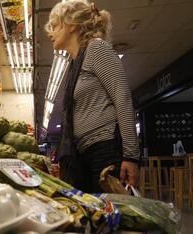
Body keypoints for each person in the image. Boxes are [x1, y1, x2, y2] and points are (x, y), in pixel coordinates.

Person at [45, 0, 140, 193]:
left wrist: (131, 156)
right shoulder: (74, 64)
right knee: (95, 216)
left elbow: (122, 98)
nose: (49, 32)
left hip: (105, 150)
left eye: (54, 26)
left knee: (112, 216)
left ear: (72, 25)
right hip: (83, 154)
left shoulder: (96, 49)